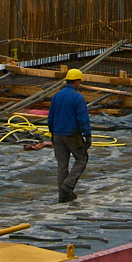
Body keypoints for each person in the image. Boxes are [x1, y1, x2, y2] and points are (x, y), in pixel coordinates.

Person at [48, 67, 91, 203]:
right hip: (72, 134)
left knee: (62, 165)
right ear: (77, 82)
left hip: (57, 134)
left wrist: (52, 133)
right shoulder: (78, 97)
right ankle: (68, 185)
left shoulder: (57, 96)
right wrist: (87, 136)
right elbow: (82, 118)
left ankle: (62, 195)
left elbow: (50, 117)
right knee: (82, 159)